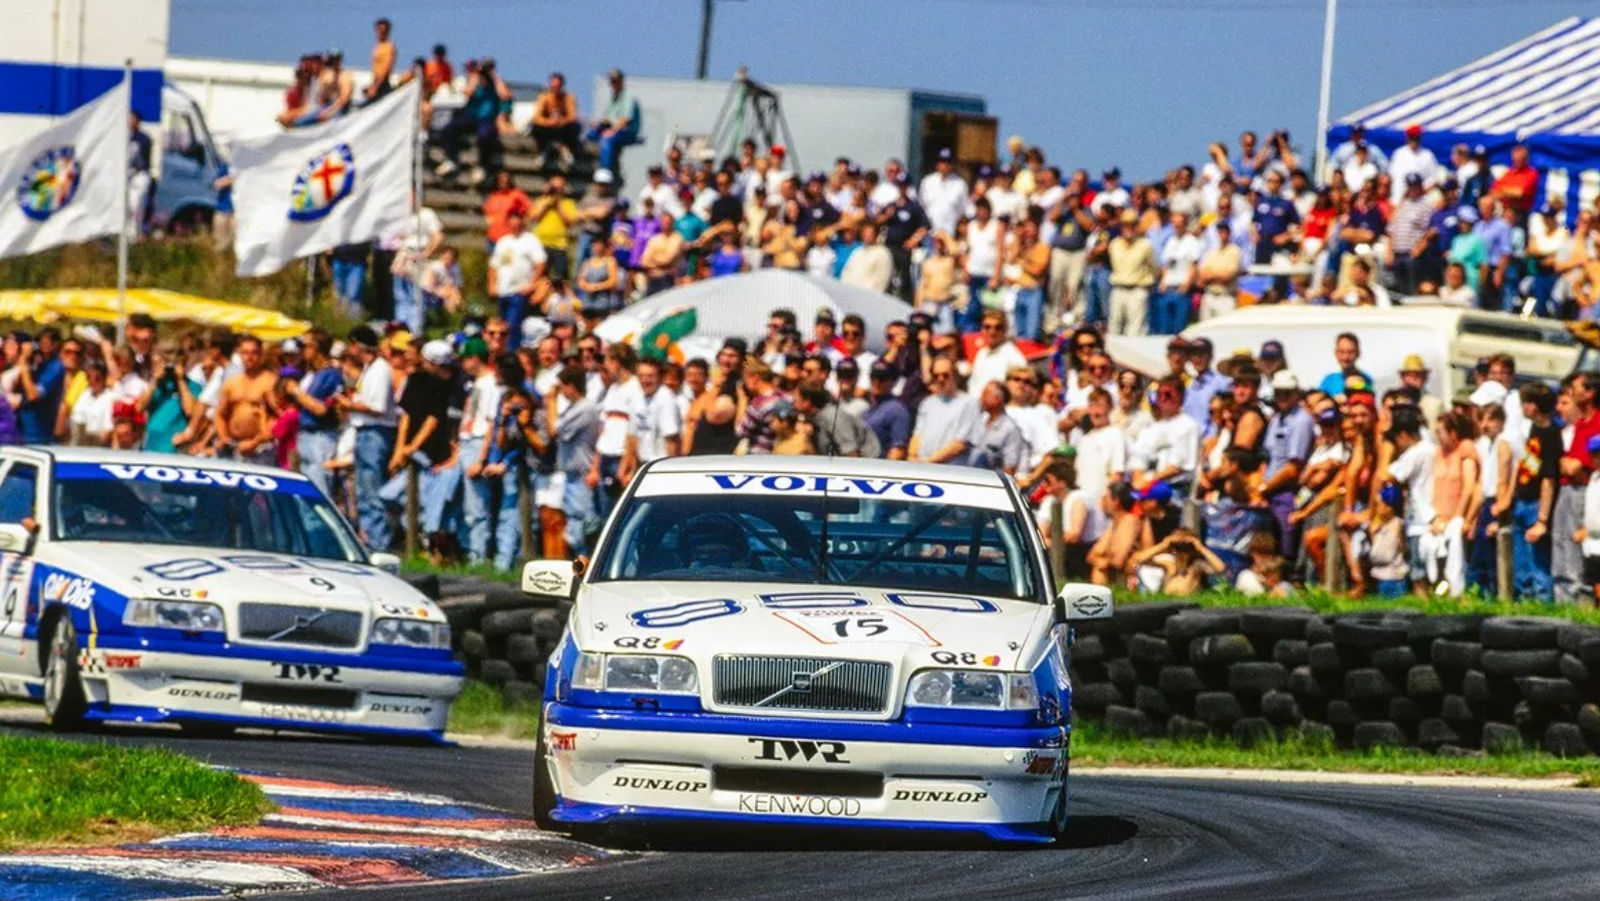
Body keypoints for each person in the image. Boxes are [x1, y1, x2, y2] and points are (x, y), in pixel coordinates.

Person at [338, 326, 398, 551]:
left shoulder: (381, 369)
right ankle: (369, 538)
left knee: (372, 489)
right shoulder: (368, 369)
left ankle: (378, 541)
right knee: (362, 490)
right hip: (364, 431)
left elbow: (379, 406)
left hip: (376, 432)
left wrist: (350, 405)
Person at [212, 335, 278, 465]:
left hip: (260, 447)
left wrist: (256, 441)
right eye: (245, 353)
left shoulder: (270, 382)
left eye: (254, 353)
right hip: (233, 446)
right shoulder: (232, 383)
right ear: (239, 354)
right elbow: (220, 414)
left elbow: (278, 417)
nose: (249, 357)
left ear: (261, 355)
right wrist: (223, 436)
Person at [488, 210, 546, 340]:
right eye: (512, 220)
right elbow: (494, 265)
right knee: (501, 328)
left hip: (518, 292)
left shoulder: (530, 240)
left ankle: (512, 354)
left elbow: (541, 263)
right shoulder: (503, 241)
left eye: (517, 219)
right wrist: (492, 284)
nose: (514, 223)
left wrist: (532, 284)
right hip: (502, 291)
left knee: (512, 326)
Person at [909, 357, 978, 464]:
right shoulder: (927, 403)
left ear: (955, 375)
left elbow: (960, 445)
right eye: (936, 376)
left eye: (945, 375)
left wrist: (928, 462)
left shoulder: (969, 403)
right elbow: (917, 435)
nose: (941, 379)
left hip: (949, 470)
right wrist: (911, 457)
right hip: (922, 466)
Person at [1107, 210, 1156, 336]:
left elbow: (1154, 268)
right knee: (1114, 325)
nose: (1129, 228)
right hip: (1118, 287)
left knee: (1136, 328)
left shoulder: (1145, 244)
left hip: (1138, 289)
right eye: (1125, 224)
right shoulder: (1114, 244)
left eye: (1132, 224)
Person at [965, 381, 1027, 475]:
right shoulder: (980, 421)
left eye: (985, 395)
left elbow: (1009, 468)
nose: (981, 399)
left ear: (998, 399)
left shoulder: (1010, 428)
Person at [588, 68, 641, 174]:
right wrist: (596, 124)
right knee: (591, 133)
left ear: (621, 81)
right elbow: (607, 117)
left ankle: (605, 171)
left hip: (627, 131)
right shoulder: (613, 98)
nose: (612, 84)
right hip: (613, 128)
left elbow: (625, 120)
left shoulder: (628, 97)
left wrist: (611, 131)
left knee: (607, 140)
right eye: (611, 81)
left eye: (615, 81)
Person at [968, 310, 1028, 400]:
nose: (992, 332)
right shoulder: (981, 353)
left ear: (1005, 330)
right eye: (987, 327)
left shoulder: (1014, 356)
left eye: (998, 327)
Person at [529, 72, 581, 169]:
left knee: (575, 127)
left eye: (558, 86)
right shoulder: (544, 97)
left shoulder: (569, 97)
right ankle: (549, 150)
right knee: (535, 127)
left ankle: (565, 150)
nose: (555, 89)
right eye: (553, 86)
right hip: (548, 128)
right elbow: (537, 117)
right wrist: (549, 122)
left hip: (562, 128)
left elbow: (572, 116)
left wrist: (560, 121)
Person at [363, 18, 394, 104]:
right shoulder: (377, 47)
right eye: (379, 30)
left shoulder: (388, 47)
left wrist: (375, 87)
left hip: (382, 84)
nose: (381, 33)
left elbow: (386, 69)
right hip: (376, 81)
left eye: (384, 31)